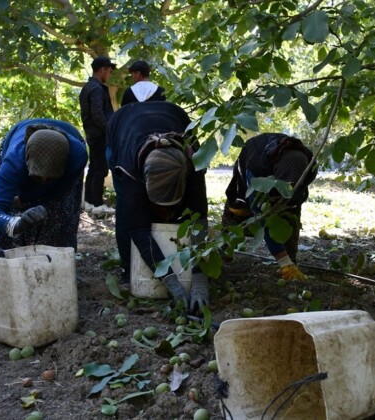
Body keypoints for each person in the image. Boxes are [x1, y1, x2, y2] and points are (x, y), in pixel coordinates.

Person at [107, 101, 209, 312]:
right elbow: (138, 228)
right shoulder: (130, 170)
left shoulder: (193, 163)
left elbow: (199, 217)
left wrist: (199, 278)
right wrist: (171, 282)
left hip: (172, 115)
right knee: (127, 210)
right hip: (122, 127)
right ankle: (128, 268)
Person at [0, 119, 88, 250]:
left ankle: (53, 256)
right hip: (17, 144)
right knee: (5, 217)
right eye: (37, 176)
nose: (43, 180)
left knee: (59, 213)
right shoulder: (14, 161)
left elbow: (57, 192)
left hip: (69, 154)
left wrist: (24, 200)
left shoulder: (77, 157)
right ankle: (7, 252)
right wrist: (16, 223)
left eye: (50, 178)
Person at [222, 133, 317, 281]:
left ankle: (291, 262)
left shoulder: (309, 165)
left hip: (280, 174)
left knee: (289, 215)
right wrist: (282, 261)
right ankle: (223, 252)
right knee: (238, 210)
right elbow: (263, 217)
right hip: (256, 166)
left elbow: (298, 196)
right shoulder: (255, 168)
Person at [79, 55, 117, 216]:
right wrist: (110, 130)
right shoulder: (96, 89)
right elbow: (98, 114)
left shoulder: (88, 87)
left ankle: (89, 202)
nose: (109, 74)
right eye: (108, 71)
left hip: (93, 133)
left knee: (94, 167)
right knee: (100, 168)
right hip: (100, 134)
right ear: (102, 69)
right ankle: (97, 204)